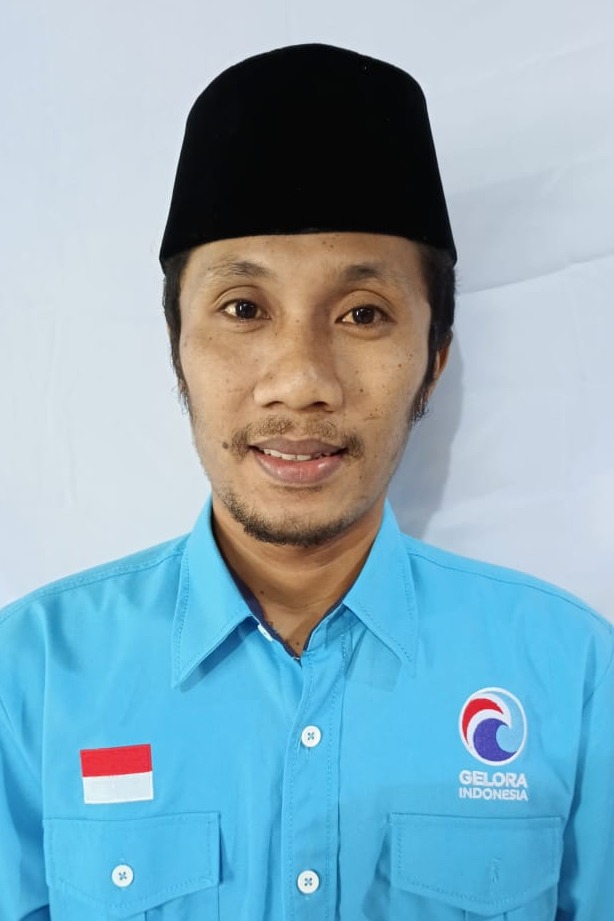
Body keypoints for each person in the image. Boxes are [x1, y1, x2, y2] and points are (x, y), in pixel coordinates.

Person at [0, 43, 612, 921]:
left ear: (433, 362)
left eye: (362, 314)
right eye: (243, 309)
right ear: (177, 348)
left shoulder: (574, 674)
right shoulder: (30, 677)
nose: (300, 381)